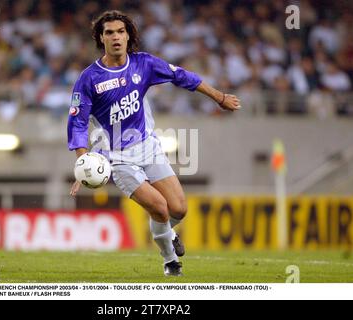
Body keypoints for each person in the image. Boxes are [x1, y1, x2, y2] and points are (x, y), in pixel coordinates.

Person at [67, 10, 240, 276]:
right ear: (100, 38)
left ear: (128, 36)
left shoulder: (143, 64)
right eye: (109, 32)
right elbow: (78, 123)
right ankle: (171, 262)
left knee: (179, 209)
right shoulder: (88, 79)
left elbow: (182, 76)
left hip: (148, 147)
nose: (116, 37)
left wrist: (219, 98)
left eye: (121, 32)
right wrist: (83, 162)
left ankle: (166, 232)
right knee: (160, 208)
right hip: (117, 158)